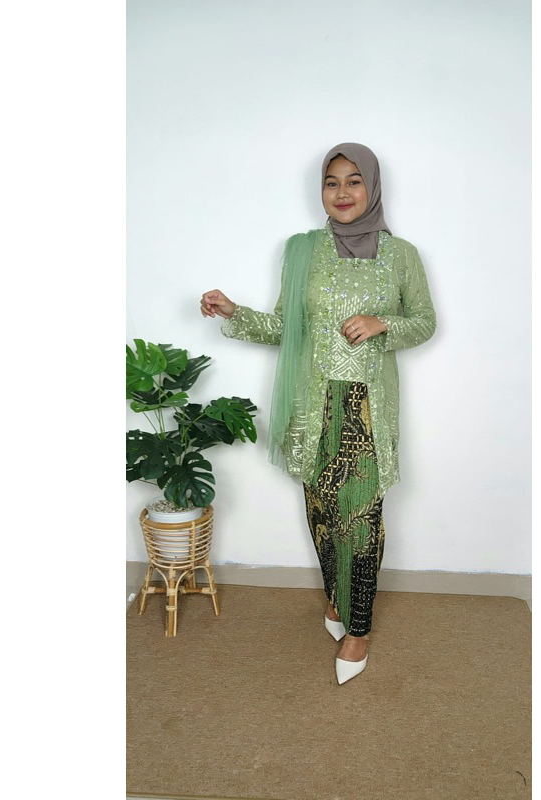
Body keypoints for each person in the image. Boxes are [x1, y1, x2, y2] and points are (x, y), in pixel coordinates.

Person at [200, 143, 436, 685]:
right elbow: (288, 328)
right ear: (321, 191)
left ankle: (359, 628)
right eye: (332, 182)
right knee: (323, 513)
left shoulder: (402, 256)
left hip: (367, 408)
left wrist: (383, 324)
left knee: (363, 518)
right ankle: (335, 595)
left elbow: (424, 322)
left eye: (354, 181)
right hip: (313, 403)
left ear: (372, 187)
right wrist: (235, 311)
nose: (342, 192)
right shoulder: (303, 250)